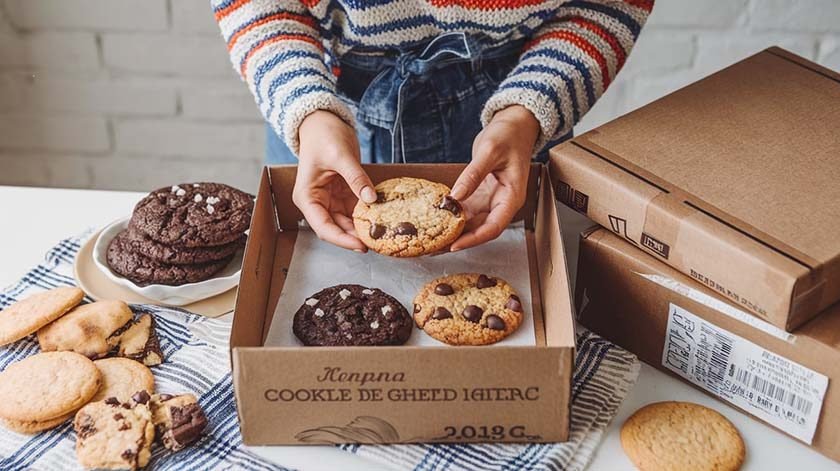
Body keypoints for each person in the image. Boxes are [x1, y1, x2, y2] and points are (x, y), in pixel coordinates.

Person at [213, 0, 652, 252]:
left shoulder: (525, 110)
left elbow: (609, 5)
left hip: (519, 103)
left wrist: (526, 112)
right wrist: (309, 111)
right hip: (320, 104)